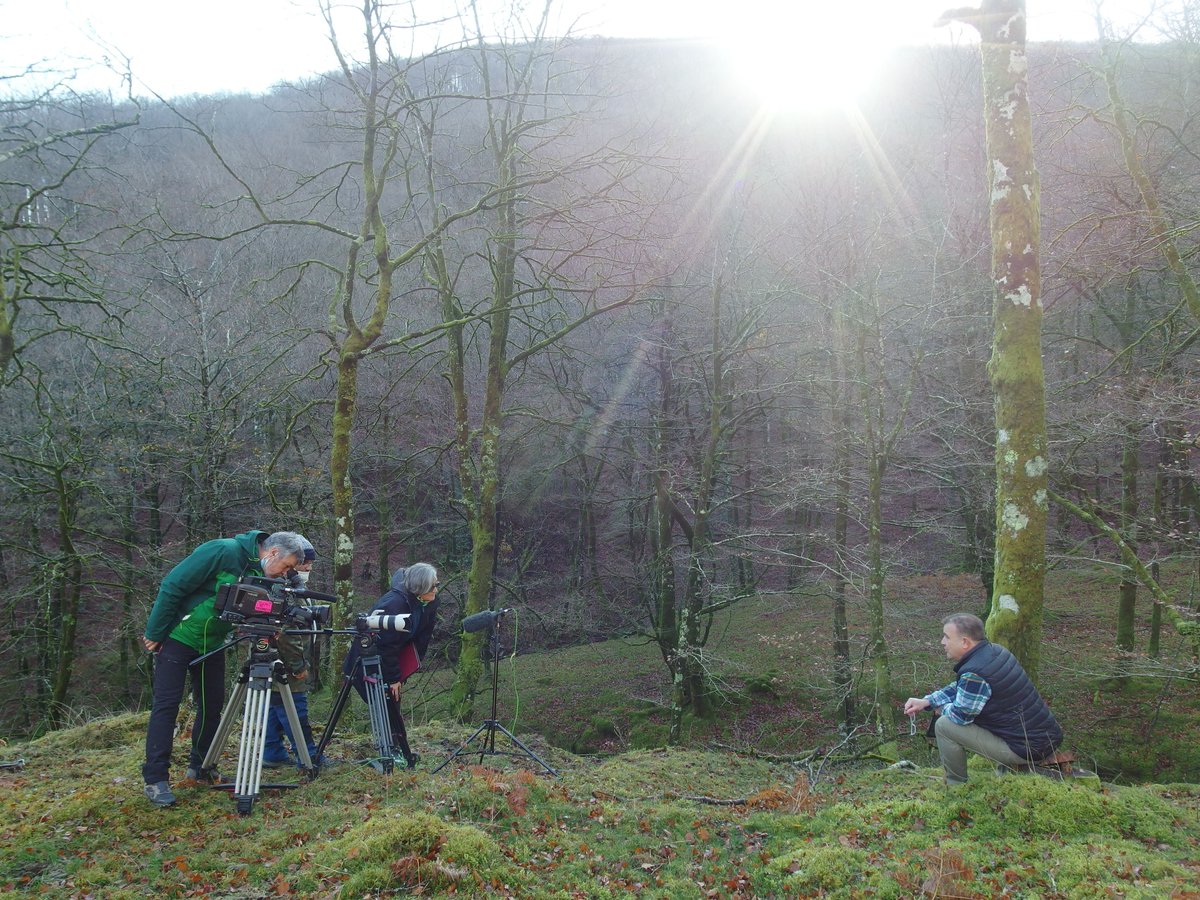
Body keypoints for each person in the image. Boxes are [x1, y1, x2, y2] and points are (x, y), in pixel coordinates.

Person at [141, 530, 308, 807]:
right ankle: (156, 778)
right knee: (166, 706)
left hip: (213, 643)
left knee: (211, 705)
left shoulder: (262, 571)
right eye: (287, 566)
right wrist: (155, 631)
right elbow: (173, 585)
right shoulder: (222, 552)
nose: (286, 573)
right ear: (273, 553)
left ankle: (200, 767)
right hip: (178, 637)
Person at [903, 613, 1063, 786]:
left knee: (944, 726)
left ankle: (955, 784)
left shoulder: (975, 673)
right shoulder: (994, 652)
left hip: (1027, 749)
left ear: (965, 642)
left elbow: (960, 717)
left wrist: (942, 708)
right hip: (1045, 738)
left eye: (947, 637)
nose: (942, 642)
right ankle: (1007, 769)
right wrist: (928, 701)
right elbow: (963, 688)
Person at [343, 562, 441, 770]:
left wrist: (408, 668)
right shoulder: (394, 604)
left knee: (393, 701)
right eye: (432, 586)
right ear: (420, 588)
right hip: (368, 662)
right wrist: (393, 677)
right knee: (385, 703)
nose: (436, 590)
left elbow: (420, 638)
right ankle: (389, 751)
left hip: (393, 658)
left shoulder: (428, 601)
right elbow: (385, 645)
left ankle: (396, 748)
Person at [262, 536, 323, 769]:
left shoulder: (289, 586)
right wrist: (299, 666)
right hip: (284, 661)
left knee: (274, 704)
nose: (308, 568)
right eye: (305, 563)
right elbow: (286, 632)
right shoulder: (282, 589)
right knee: (295, 707)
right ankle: (308, 756)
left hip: (275, 658)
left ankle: (272, 751)